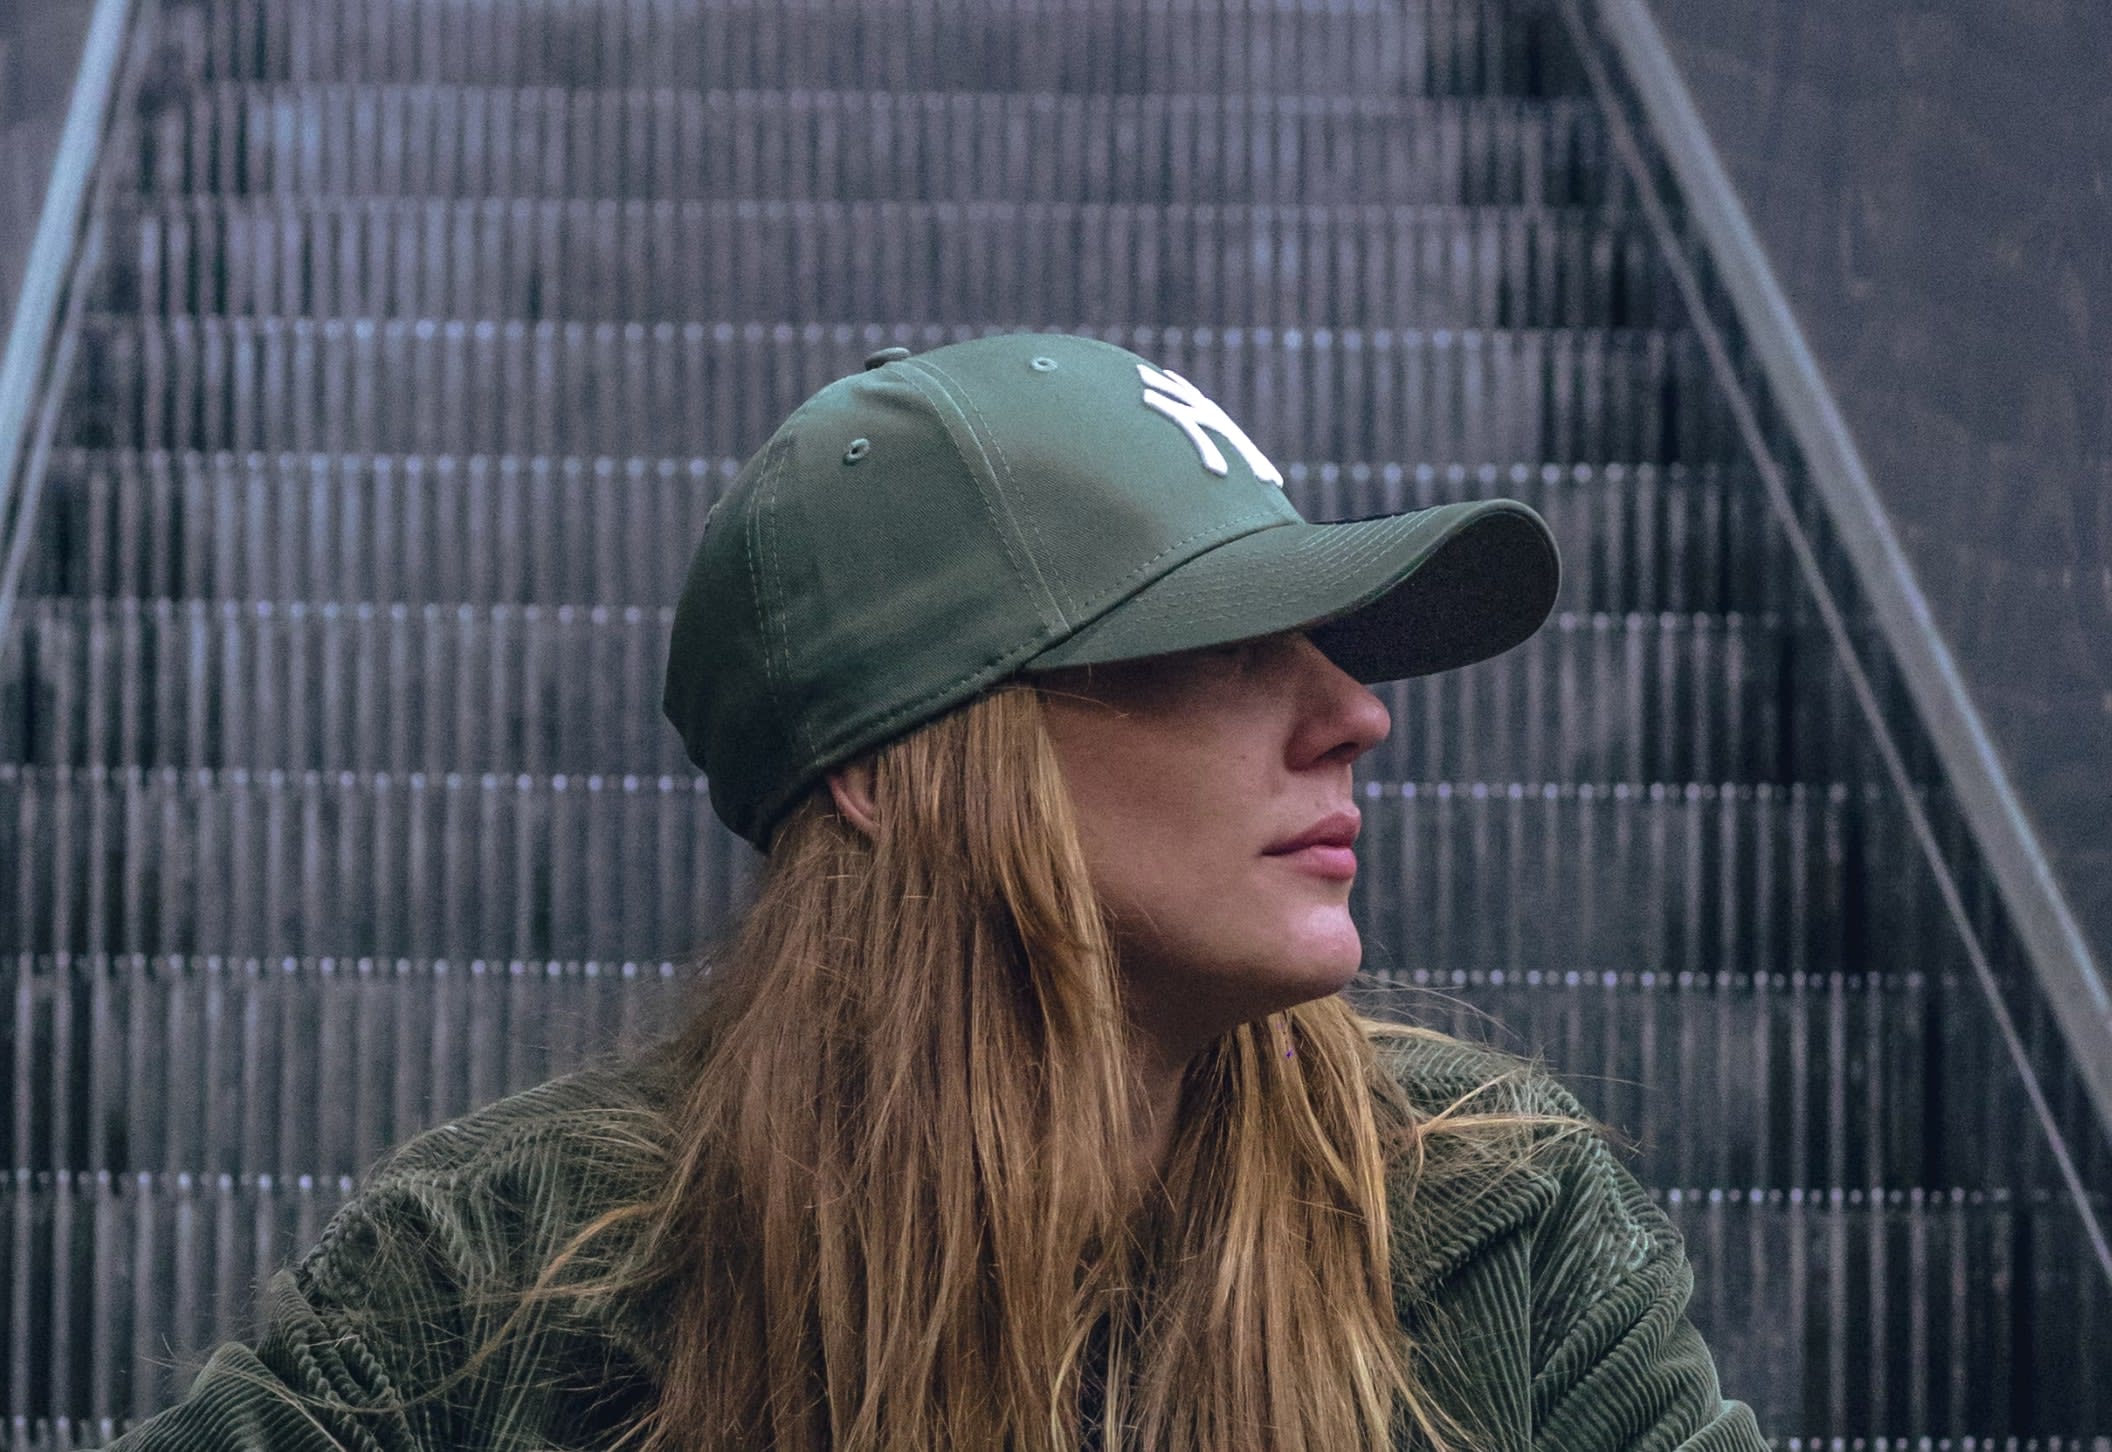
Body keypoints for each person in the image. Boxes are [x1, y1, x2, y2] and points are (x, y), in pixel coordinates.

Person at [106, 333, 1767, 1451]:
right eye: (1223, 650)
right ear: (892, 765)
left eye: (1326, 650)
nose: (1355, 715)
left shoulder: (1495, 1227)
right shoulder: (497, 1288)